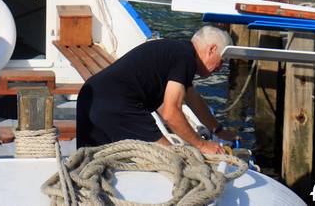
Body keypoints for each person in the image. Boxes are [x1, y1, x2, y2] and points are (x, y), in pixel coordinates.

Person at [76, 25, 239, 154]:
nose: (221, 67)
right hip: (119, 105)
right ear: (211, 49)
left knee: (89, 163)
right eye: (222, 61)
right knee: (172, 159)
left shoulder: (177, 52)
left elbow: (194, 100)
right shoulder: (186, 59)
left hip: (89, 96)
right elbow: (170, 113)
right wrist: (202, 145)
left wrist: (218, 131)